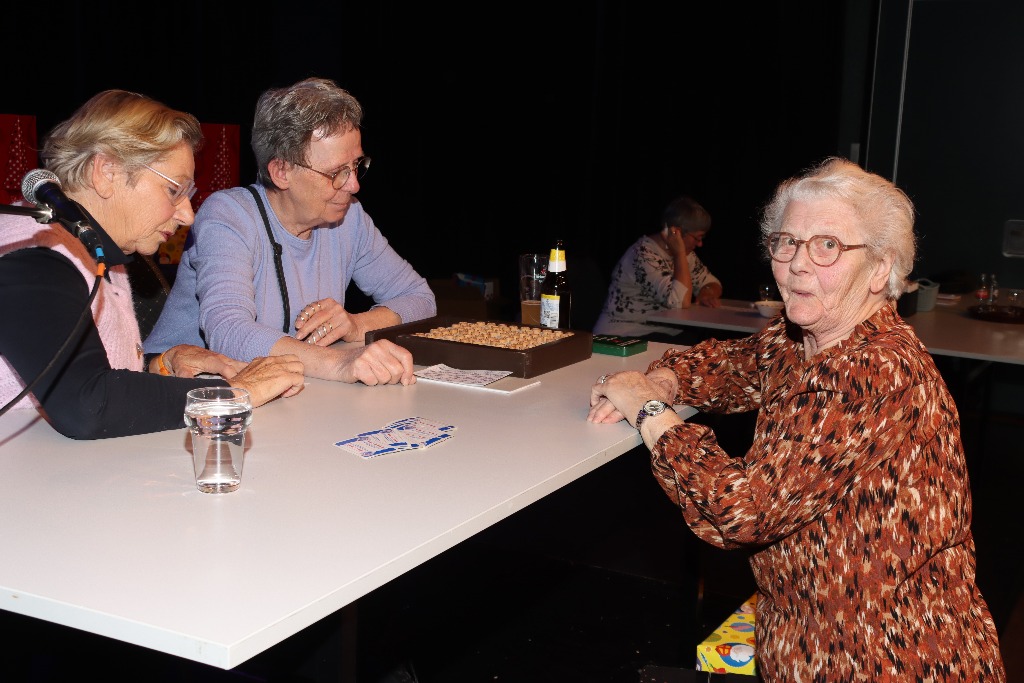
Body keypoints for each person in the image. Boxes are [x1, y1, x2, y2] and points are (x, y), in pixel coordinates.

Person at [587, 158, 1005, 681]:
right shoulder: (807, 336)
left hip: (882, 657)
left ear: (881, 269)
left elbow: (742, 510)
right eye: (787, 242)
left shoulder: (872, 370)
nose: (797, 265)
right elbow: (736, 364)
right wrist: (667, 378)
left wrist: (648, 410)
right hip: (805, 637)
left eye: (827, 244)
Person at [0, 90, 305, 439]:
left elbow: (87, 370)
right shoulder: (31, 254)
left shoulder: (98, 250)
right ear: (106, 172)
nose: (188, 215)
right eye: (174, 191)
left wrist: (162, 363)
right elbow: (88, 404)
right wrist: (233, 394)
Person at [144, 77, 435, 386]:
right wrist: (340, 363)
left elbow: (420, 298)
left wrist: (356, 324)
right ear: (281, 171)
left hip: (291, 391)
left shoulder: (349, 218)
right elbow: (228, 331)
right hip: (179, 391)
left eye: (356, 165)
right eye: (336, 173)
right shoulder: (228, 216)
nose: (353, 185)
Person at [593, 195, 722, 341]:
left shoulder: (687, 255)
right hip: (625, 334)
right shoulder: (643, 255)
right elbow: (679, 302)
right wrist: (679, 253)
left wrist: (707, 293)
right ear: (676, 232)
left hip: (662, 332)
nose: (700, 244)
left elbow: (712, 283)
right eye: (697, 238)